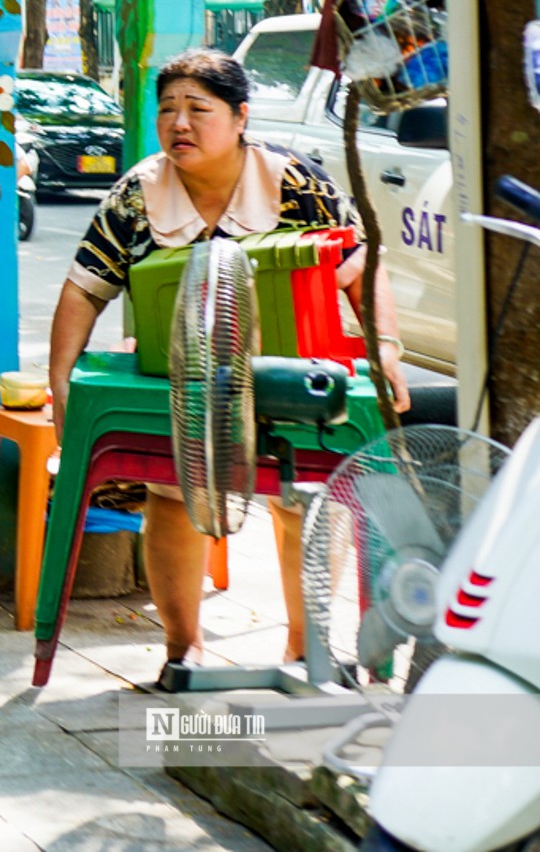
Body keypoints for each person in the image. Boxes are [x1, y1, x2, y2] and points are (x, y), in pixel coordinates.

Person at [47, 48, 412, 686]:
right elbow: (83, 288)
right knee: (172, 494)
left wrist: (385, 353)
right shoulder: (137, 194)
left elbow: (361, 268)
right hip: (180, 381)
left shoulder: (296, 182)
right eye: (167, 110)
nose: (179, 124)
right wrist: (62, 385)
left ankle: (306, 649)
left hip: (293, 374)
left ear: (240, 116)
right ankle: (182, 650)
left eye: (198, 109)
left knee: (307, 502)